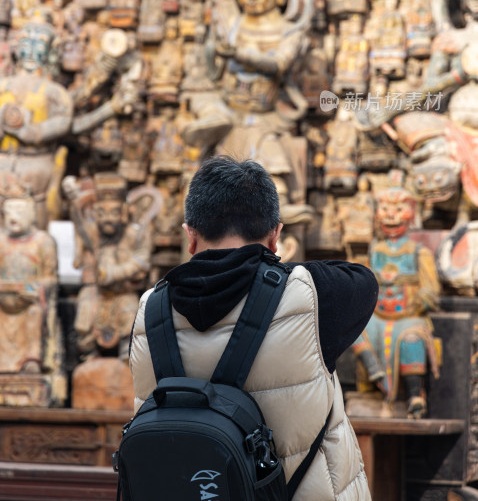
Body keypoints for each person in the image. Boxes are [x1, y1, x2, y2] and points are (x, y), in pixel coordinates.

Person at [130, 156, 377, 500]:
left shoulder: (147, 310)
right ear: (276, 235)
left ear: (190, 234)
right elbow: (364, 278)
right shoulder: (312, 295)